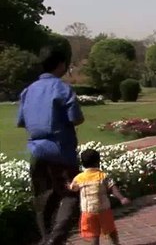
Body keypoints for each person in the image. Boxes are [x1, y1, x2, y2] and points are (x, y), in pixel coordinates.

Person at [17, 48, 82, 245]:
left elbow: (21, 121)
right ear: (60, 65)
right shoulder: (62, 89)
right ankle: (56, 238)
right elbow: (76, 118)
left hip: (37, 151)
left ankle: (46, 238)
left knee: (43, 199)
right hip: (60, 150)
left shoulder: (29, 90)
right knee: (70, 194)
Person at [68, 149, 130, 245]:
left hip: (87, 212)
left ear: (83, 164)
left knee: (94, 235)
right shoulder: (102, 176)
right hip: (103, 210)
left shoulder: (79, 178)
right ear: (98, 162)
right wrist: (122, 198)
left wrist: (67, 185)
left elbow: (73, 188)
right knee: (111, 230)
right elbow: (112, 187)